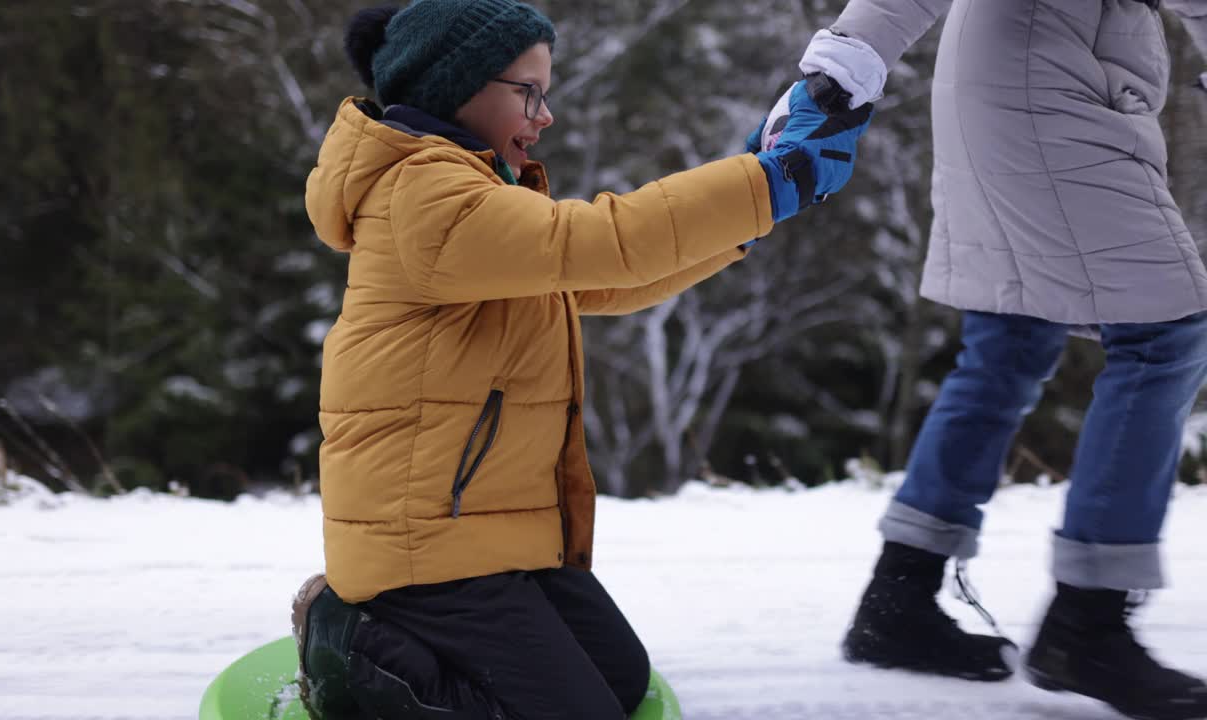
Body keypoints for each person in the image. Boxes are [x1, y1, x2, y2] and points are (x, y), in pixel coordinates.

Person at [289, 2, 874, 719]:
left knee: (620, 682)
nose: (546, 115)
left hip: (479, 533)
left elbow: (603, 278)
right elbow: (599, 241)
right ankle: (348, 653)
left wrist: (756, 203)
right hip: (422, 551)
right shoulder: (425, 196)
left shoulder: (473, 189)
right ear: (457, 87)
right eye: (527, 91)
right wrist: (762, 183)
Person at [781, 1, 1207, 718]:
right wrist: (852, 52)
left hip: (1033, 80)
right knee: (1166, 330)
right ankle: (1088, 623)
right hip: (1047, 91)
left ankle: (901, 597)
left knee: (1013, 334)